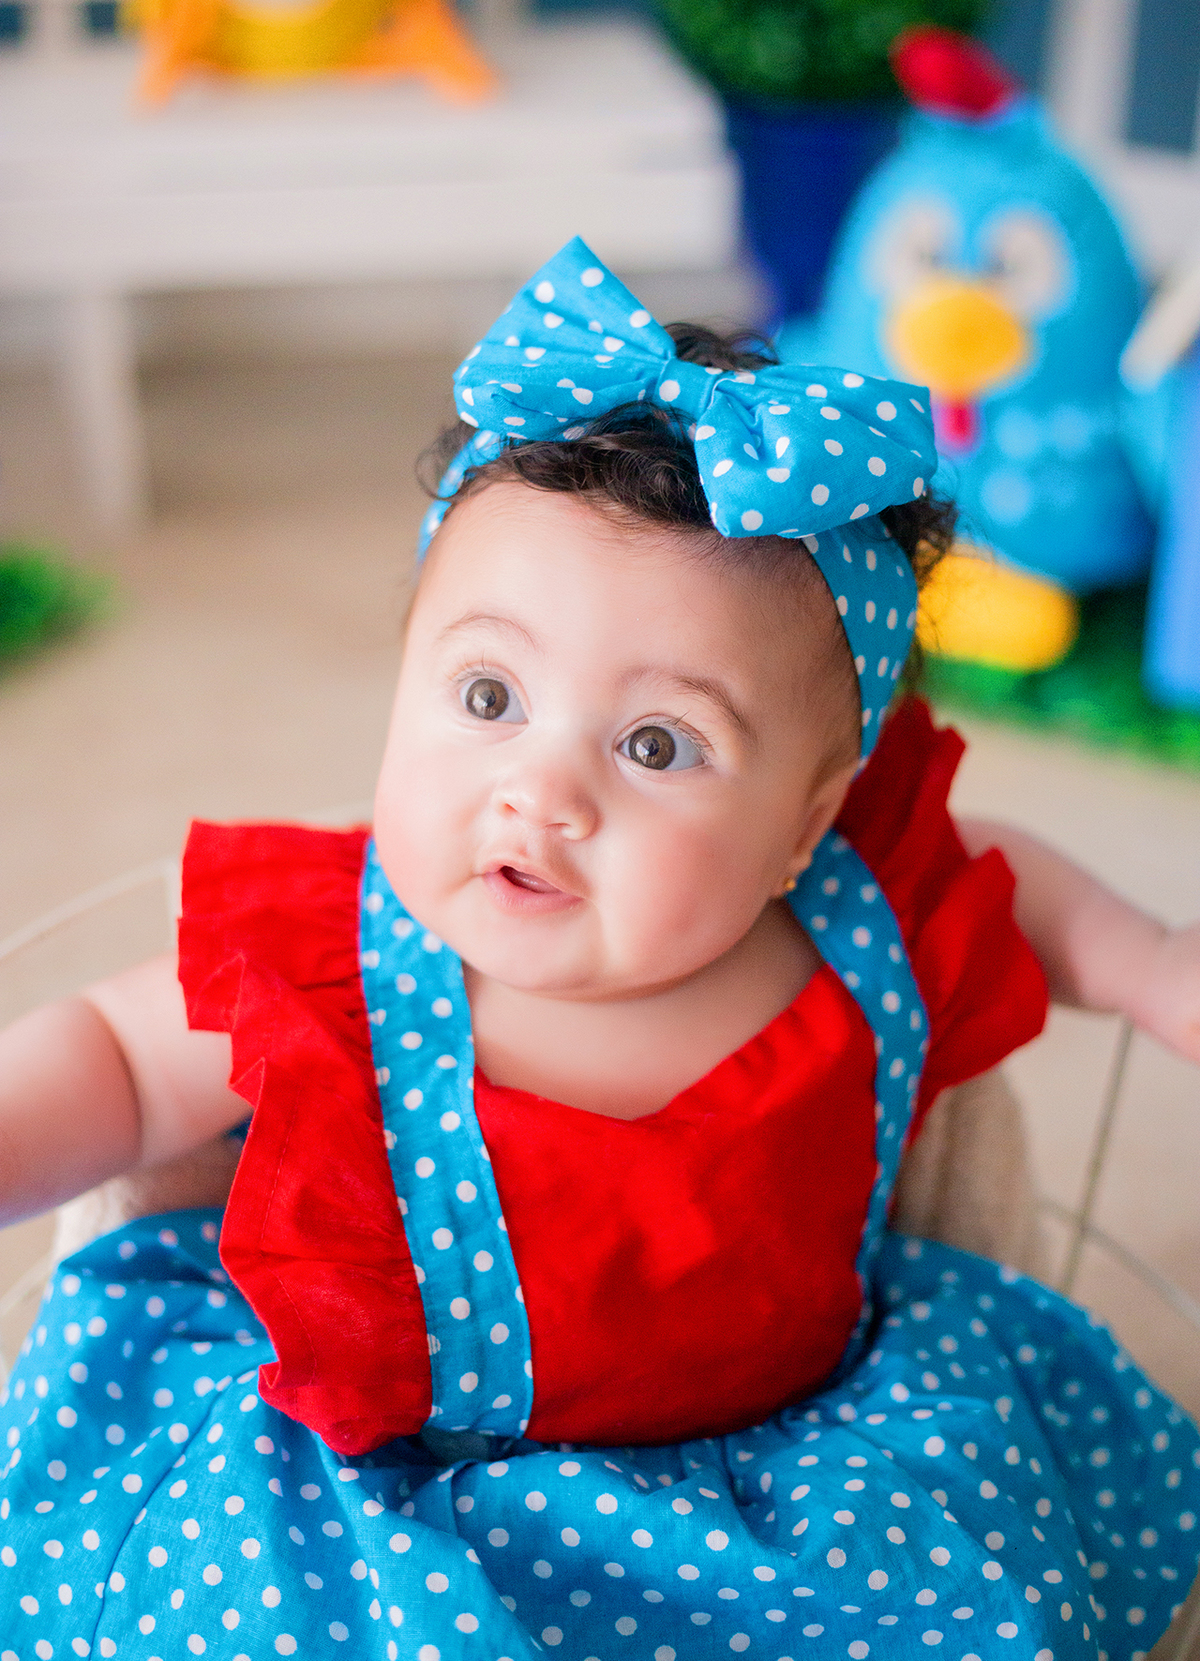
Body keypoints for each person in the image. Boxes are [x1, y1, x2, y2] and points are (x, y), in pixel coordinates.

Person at [1, 238, 1198, 1661]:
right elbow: (120, 1067)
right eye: (488, 692)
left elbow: (1018, 887)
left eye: (656, 743)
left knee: (967, 1610)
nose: (543, 790)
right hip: (407, 1504)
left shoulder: (861, 921)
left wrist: (1150, 960)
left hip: (800, 1472)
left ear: (810, 820)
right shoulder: (341, 966)